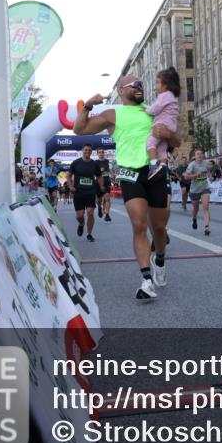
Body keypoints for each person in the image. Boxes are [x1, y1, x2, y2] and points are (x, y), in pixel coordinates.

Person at [74, 75, 183, 300]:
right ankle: (146, 280)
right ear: (121, 91)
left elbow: (177, 141)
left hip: (155, 172)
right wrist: (88, 105)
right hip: (129, 173)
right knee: (138, 224)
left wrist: (169, 135)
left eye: (141, 84)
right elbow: (79, 129)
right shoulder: (113, 114)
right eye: (134, 85)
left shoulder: (154, 111)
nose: (139, 88)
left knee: (159, 227)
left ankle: (160, 260)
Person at [144, 67, 180, 181]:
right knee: (162, 147)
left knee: (150, 143)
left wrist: (147, 110)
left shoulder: (165, 95)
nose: (156, 86)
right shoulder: (172, 96)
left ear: (165, 85)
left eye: (157, 82)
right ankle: (163, 166)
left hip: (162, 124)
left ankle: (154, 164)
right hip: (170, 125)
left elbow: (156, 108)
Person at [69, 144, 101, 242]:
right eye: (86, 150)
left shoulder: (94, 164)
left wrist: (101, 186)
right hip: (78, 192)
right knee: (80, 216)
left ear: (92, 152)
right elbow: (68, 175)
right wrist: (70, 186)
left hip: (91, 191)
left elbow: (100, 176)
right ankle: (81, 224)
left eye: (90, 150)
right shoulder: (75, 163)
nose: (88, 151)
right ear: (82, 150)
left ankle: (89, 234)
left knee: (90, 213)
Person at [184, 149, 213, 234]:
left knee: (206, 206)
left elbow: (209, 169)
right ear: (195, 156)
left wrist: (210, 176)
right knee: (196, 208)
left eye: (201, 154)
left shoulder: (206, 163)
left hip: (204, 188)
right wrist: (196, 174)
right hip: (194, 190)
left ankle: (207, 227)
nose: (200, 155)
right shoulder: (192, 165)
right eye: (198, 154)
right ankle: (194, 218)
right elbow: (186, 177)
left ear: (203, 155)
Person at [95, 148, 113, 222]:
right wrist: (99, 171)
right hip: (98, 183)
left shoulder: (107, 161)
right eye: (99, 152)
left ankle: (107, 215)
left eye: (102, 152)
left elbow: (110, 170)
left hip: (107, 182)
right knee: (99, 200)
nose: (101, 153)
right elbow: (93, 173)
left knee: (107, 198)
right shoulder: (95, 162)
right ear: (97, 154)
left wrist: (111, 175)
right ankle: (99, 208)